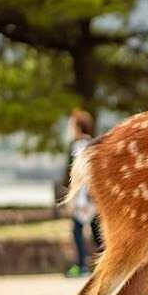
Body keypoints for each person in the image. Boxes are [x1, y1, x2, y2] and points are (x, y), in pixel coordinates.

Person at [63, 109, 103, 277]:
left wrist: (71, 197)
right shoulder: (94, 144)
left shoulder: (76, 146)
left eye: (72, 125)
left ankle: (81, 265)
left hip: (82, 197)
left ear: (78, 127)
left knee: (78, 232)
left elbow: (72, 173)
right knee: (97, 232)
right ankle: (104, 264)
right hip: (94, 197)